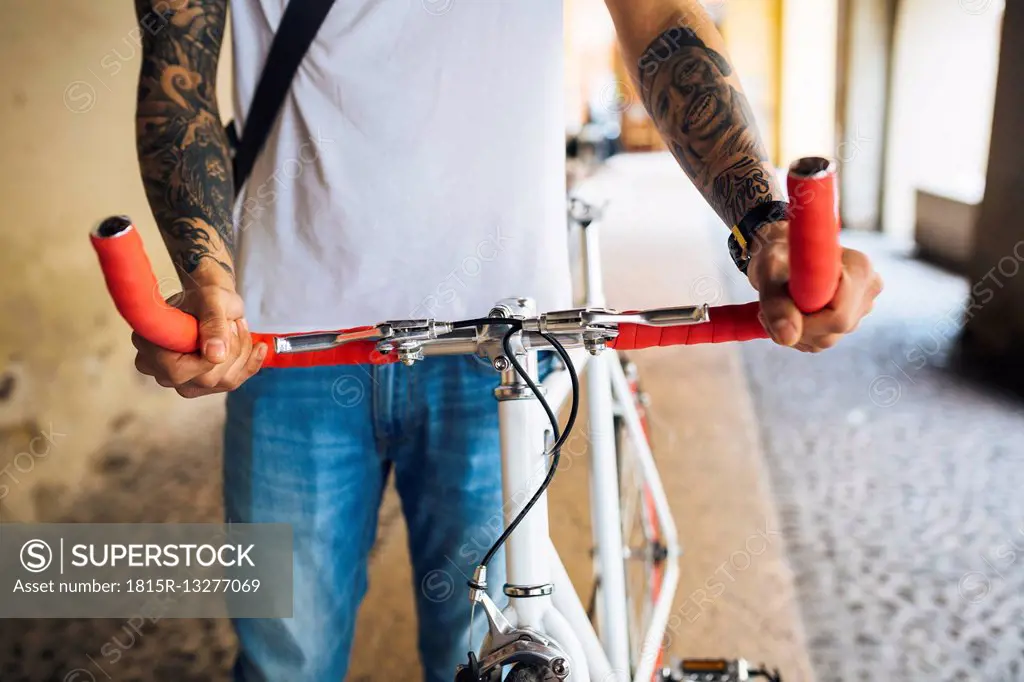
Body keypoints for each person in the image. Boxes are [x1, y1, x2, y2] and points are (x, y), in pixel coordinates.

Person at [130, 0, 883, 680]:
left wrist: (763, 223)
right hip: (285, 339)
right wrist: (206, 273)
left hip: (502, 341)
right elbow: (178, 77)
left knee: (492, 656)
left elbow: (658, 20)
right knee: (282, 659)